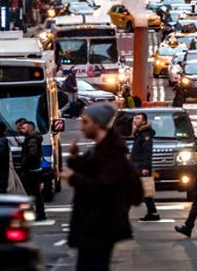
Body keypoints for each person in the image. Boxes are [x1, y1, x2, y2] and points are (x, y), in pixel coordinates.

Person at [60, 103, 142, 271]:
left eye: (85, 122)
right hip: (95, 224)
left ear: (97, 124)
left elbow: (103, 186)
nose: (81, 127)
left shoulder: (111, 153)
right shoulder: (101, 149)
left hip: (100, 224)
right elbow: (91, 172)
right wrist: (74, 159)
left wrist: (73, 178)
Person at [130, 113, 159, 221]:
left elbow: (147, 152)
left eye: (138, 118)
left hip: (141, 166)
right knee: (146, 191)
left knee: (145, 190)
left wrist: (146, 167)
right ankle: (153, 212)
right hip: (136, 166)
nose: (135, 120)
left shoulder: (145, 134)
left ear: (144, 121)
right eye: (134, 118)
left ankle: (153, 212)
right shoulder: (140, 133)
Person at [19, 121, 46, 221]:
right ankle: (39, 213)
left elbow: (32, 154)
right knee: (35, 193)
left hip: (31, 171)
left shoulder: (32, 140)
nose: (22, 130)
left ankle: (39, 214)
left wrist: (24, 163)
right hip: (33, 170)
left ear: (30, 128)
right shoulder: (32, 139)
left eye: (24, 128)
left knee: (33, 193)